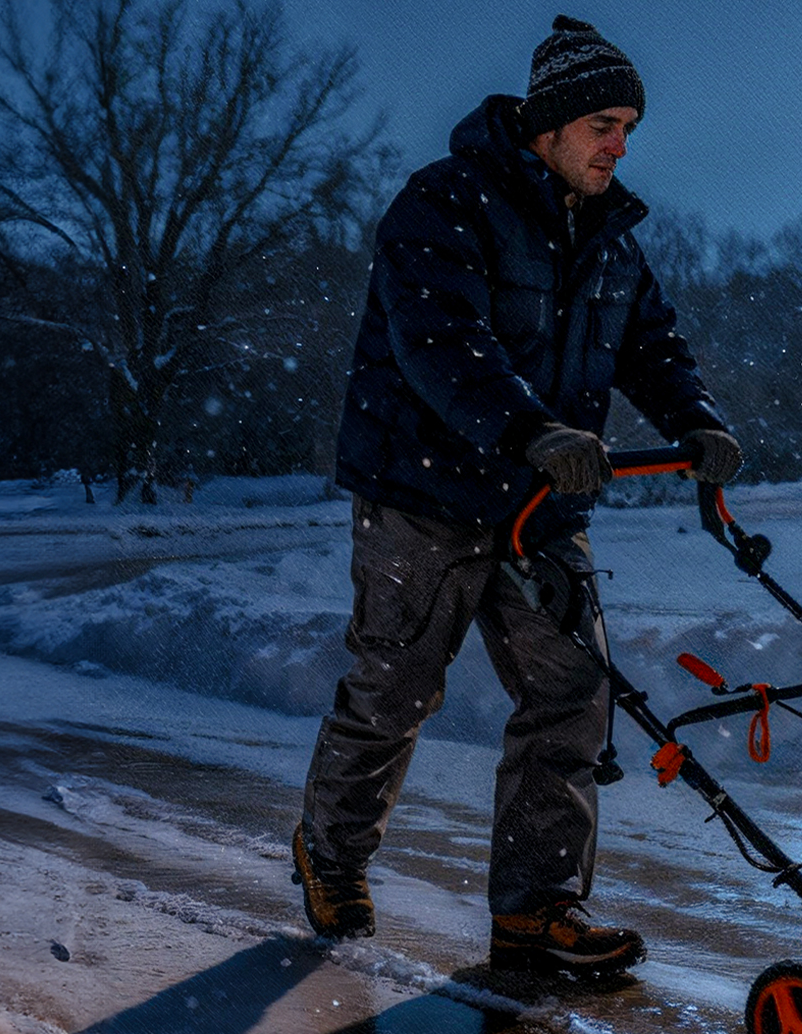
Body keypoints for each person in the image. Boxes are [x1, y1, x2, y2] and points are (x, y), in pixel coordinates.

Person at [292, 14, 742, 973]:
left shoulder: (612, 238)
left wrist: (696, 420)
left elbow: (653, 345)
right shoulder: (444, 203)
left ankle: (536, 908)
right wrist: (531, 428)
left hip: (541, 506)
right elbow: (440, 344)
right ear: (548, 126)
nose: (620, 147)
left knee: (572, 692)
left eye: (629, 128)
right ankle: (331, 854)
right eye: (604, 126)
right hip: (424, 492)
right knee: (395, 690)